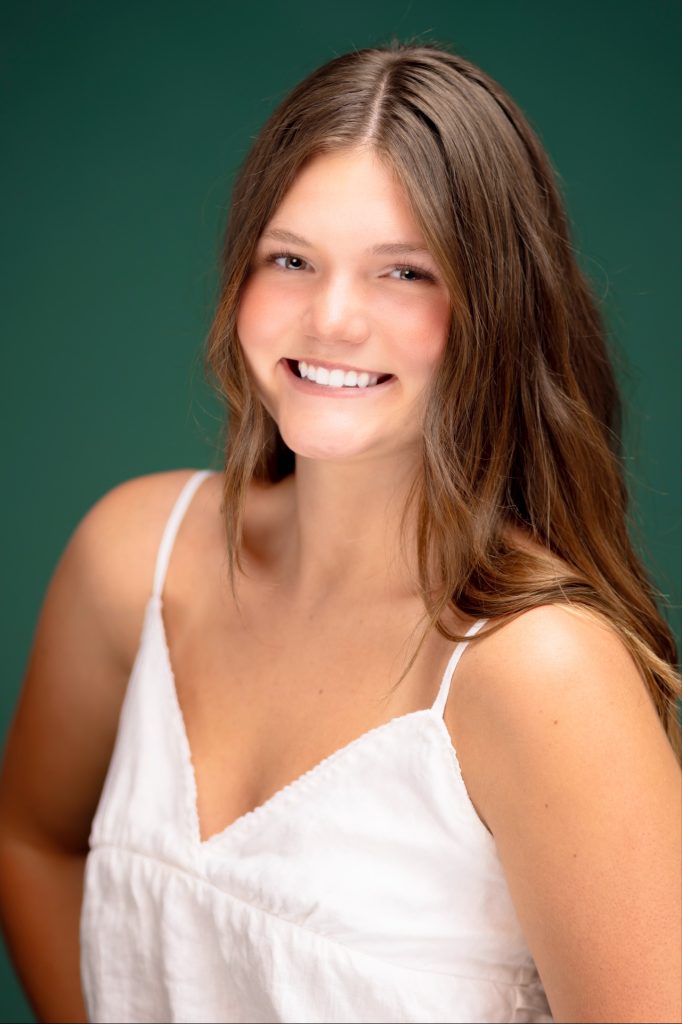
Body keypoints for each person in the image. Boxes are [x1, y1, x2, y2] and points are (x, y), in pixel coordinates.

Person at [0, 39, 680, 1024]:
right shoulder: (133, 557)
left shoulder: (541, 671)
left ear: (496, 308)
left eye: (403, 271)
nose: (331, 318)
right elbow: (31, 842)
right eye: (291, 259)